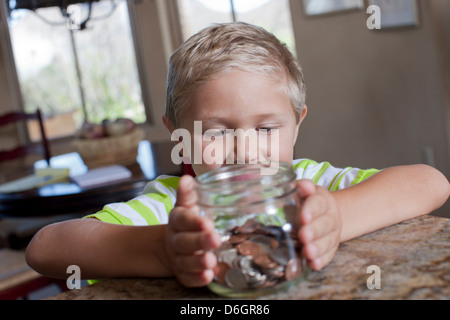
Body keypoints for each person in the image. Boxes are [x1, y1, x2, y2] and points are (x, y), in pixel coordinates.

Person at [26, 22, 449, 288]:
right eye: (215, 131)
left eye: (266, 128)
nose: (245, 151)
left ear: (297, 123)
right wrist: (163, 250)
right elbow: (45, 249)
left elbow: (431, 182)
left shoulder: (308, 183)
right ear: (178, 135)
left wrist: (334, 218)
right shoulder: (175, 205)